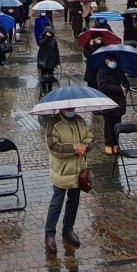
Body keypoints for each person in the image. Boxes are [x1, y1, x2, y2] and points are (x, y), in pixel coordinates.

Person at [43, 108, 93, 254]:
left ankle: (68, 230)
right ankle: (49, 234)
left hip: (78, 171)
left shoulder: (79, 121)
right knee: (56, 203)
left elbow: (90, 137)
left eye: (73, 107)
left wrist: (86, 146)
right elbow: (53, 147)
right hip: (62, 172)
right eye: (68, 108)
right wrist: (74, 148)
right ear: (61, 108)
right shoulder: (53, 123)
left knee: (74, 202)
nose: (72, 110)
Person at [96, 57, 129, 154]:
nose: (113, 62)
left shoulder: (119, 70)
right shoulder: (102, 72)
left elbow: (126, 82)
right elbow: (103, 86)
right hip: (108, 102)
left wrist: (125, 88)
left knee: (117, 124)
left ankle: (116, 143)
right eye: (111, 60)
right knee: (108, 125)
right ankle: (108, 144)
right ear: (106, 61)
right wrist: (119, 89)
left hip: (119, 102)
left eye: (115, 60)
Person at [37, 27, 61, 95]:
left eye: (50, 33)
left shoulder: (54, 40)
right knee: (43, 76)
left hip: (51, 61)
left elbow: (56, 51)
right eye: (48, 33)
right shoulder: (42, 38)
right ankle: (44, 88)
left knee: (50, 75)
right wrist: (46, 37)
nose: (49, 34)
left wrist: (57, 61)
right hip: (43, 61)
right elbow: (41, 44)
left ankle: (50, 88)